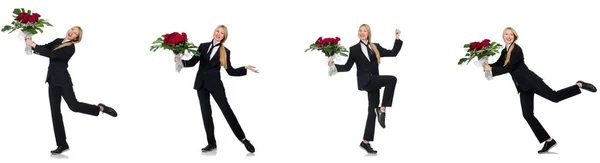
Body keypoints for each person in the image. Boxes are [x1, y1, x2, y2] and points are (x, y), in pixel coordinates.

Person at [483, 27, 597, 153]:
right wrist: (486, 64)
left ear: (515, 36)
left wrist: (491, 70)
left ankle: (579, 85)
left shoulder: (517, 49)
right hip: (523, 86)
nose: (508, 36)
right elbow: (499, 64)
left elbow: (509, 68)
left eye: (511, 34)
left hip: (532, 81)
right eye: (506, 34)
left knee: (555, 97)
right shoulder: (505, 50)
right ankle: (548, 141)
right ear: (503, 36)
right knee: (527, 115)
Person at [24, 26, 118, 155]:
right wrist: (30, 42)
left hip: (63, 82)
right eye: (72, 30)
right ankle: (62, 144)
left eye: (75, 33)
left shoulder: (70, 48)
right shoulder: (57, 40)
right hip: (52, 81)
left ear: (76, 38)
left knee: (74, 106)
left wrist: (33, 45)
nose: (71, 32)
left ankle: (100, 108)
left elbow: (52, 54)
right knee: (55, 113)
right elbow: (45, 48)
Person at [175, 25, 258, 153]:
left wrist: (245, 68)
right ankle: (211, 143)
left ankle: (243, 139)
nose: (219, 34)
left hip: (216, 86)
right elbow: (192, 62)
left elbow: (230, 71)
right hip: (201, 85)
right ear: (214, 32)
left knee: (227, 111)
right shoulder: (202, 46)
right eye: (217, 31)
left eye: (222, 33)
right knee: (206, 114)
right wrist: (179, 61)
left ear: (225, 37)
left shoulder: (225, 52)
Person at [328, 24, 403, 154]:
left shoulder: (376, 47)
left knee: (371, 111)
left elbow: (393, 53)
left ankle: (365, 142)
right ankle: (382, 109)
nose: (362, 33)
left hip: (375, 81)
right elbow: (347, 67)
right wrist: (333, 66)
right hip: (365, 82)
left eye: (365, 31)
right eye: (360, 30)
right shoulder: (354, 49)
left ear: (368, 33)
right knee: (392, 79)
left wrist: (397, 38)